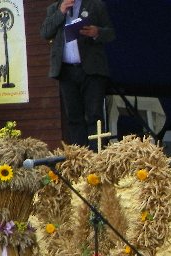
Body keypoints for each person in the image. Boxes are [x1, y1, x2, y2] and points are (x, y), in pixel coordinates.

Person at [41, 0, 116, 148]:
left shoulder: (95, 5)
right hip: (66, 71)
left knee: (94, 115)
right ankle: (80, 156)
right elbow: (45, 32)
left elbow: (111, 33)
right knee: (73, 117)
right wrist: (61, 12)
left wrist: (97, 32)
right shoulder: (54, 8)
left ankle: (97, 155)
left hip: (92, 71)